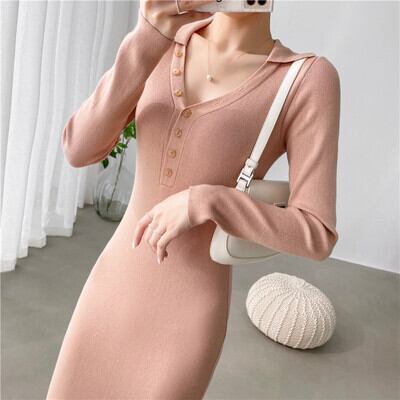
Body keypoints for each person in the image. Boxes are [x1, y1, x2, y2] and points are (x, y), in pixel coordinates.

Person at [46, 0, 341, 398]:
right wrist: (146, 38)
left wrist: (206, 202)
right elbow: (79, 148)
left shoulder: (306, 79)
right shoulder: (162, 42)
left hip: (186, 317)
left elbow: (316, 233)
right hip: (110, 289)